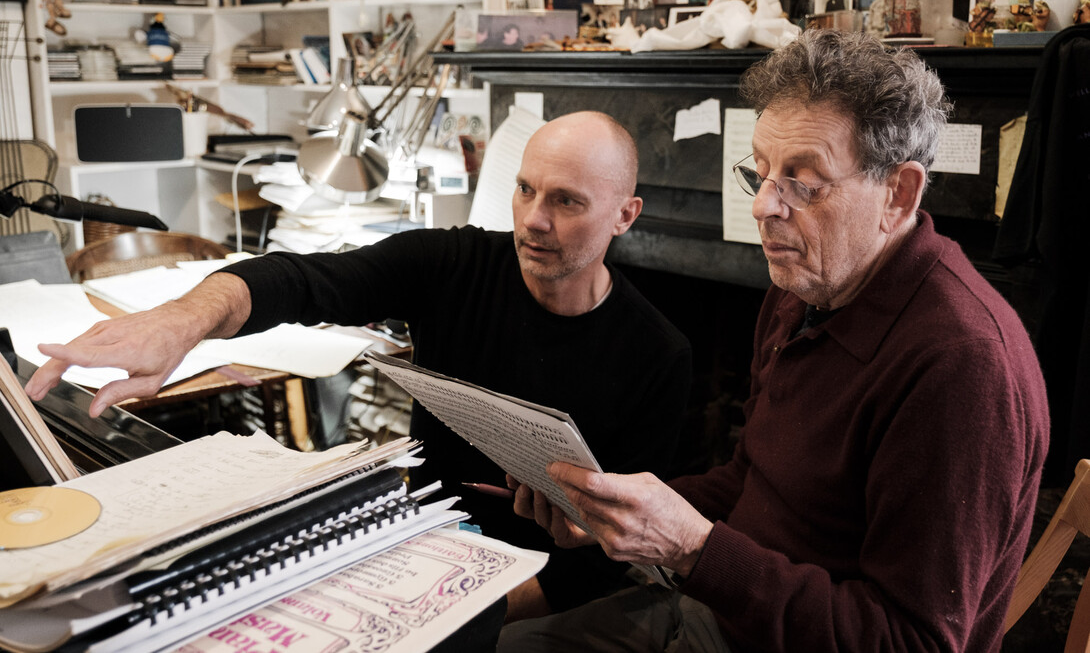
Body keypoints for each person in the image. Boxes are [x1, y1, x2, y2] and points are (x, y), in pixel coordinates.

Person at [25, 111, 693, 625]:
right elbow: (307, 278)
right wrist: (183, 322)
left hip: (542, 583)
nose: (533, 220)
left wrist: (469, 612)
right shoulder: (453, 264)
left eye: (567, 202)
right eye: (524, 189)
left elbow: (618, 561)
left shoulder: (658, 355)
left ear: (624, 216)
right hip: (422, 533)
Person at [499, 30, 1049, 652]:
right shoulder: (802, 287)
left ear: (897, 194)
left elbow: (911, 641)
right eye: (760, 174)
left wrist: (694, 549)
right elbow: (751, 479)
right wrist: (614, 511)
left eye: (803, 183)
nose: (764, 206)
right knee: (511, 643)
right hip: (724, 614)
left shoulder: (961, 366)